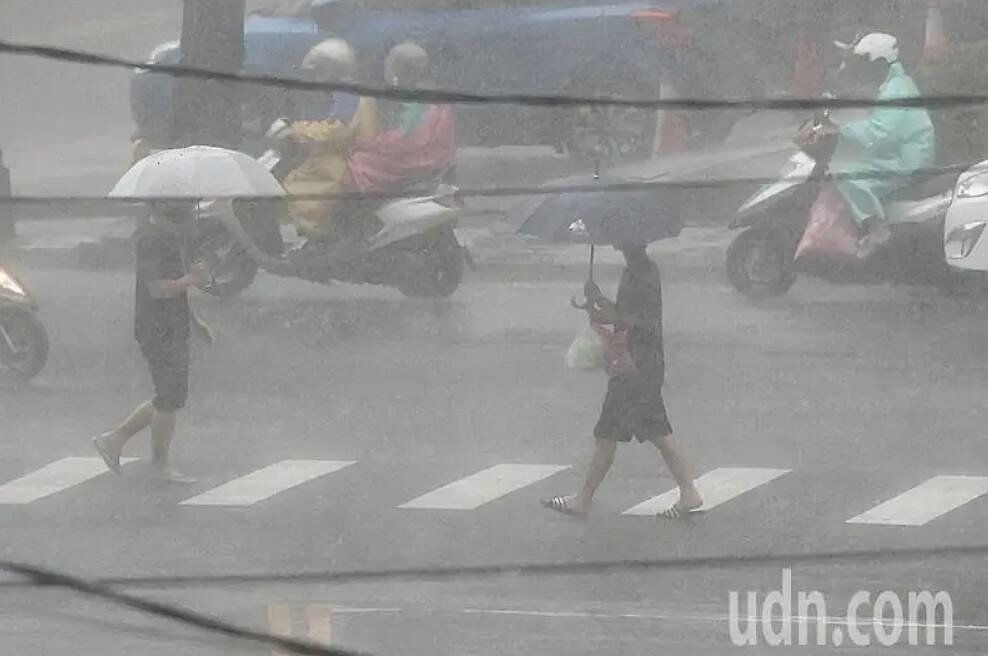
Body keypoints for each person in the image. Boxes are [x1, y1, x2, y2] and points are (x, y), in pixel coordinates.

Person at [542, 242, 702, 519]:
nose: (616, 242)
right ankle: (689, 492)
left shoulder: (644, 274)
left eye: (621, 236)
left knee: (608, 434)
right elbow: (628, 313)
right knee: (654, 431)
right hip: (638, 365)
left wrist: (611, 315)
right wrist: (599, 302)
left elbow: (646, 321)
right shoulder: (635, 270)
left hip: (636, 368)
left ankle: (583, 500)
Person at [93, 201, 214, 484]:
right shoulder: (150, 240)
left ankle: (113, 440)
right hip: (155, 328)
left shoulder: (175, 238)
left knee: (170, 395)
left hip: (175, 325)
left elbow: (179, 289)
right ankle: (159, 465)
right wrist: (191, 278)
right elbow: (157, 288)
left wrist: (195, 321)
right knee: (170, 396)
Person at [796, 32, 936, 259]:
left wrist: (840, 130)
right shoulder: (891, 84)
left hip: (908, 158)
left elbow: (880, 132)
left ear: (880, 62)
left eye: (866, 62)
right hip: (899, 152)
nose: (864, 68)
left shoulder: (897, 89)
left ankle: (877, 231)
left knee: (849, 175)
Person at [283, 39, 379, 242]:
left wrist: (297, 130)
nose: (317, 77)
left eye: (320, 70)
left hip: (347, 159)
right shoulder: (353, 91)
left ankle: (319, 235)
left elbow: (337, 130)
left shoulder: (347, 94)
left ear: (332, 69)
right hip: (356, 155)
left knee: (299, 186)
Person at [345, 42, 456, 193]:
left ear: (400, 71)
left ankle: (369, 206)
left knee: (357, 161)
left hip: (419, 161)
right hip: (436, 157)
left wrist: (368, 144)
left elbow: (405, 140)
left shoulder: (417, 100)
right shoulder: (432, 93)